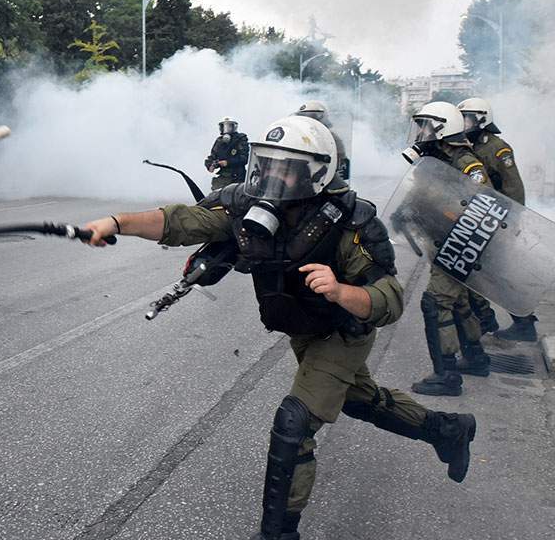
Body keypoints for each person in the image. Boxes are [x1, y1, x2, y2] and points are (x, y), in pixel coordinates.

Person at [80, 115, 477, 540]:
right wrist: (117, 223)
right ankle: (447, 430)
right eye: (266, 162)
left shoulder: (352, 221)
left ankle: (279, 533)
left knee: (295, 421)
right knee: (358, 398)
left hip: (341, 330)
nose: (272, 175)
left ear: (317, 171)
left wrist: (342, 291)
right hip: (302, 327)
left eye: (286, 167)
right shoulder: (244, 202)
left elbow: (390, 298)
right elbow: (182, 221)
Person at [402, 101, 492, 394]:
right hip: (448, 242)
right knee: (459, 300)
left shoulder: (465, 162)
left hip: (462, 242)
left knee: (436, 301)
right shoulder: (438, 159)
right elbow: (425, 193)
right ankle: (476, 356)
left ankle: (447, 374)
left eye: (426, 126)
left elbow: (485, 204)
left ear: (443, 129)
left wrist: (446, 214)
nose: (421, 133)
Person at [457, 97, 537, 342]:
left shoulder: (497, 148)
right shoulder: (468, 146)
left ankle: (524, 323)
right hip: (479, 220)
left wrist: (510, 222)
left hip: (499, 221)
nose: (464, 123)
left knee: (498, 275)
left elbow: (514, 188)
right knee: (475, 272)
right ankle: (484, 318)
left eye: (468, 118)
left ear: (482, 118)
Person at [294, 100, 349, 180]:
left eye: (313, 116)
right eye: (303, 116)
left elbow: (341, 165)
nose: (308, 120)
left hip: (323, 179)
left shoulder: (332, 139)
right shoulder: (295, 136)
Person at [205, 117, 250, 189]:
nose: (226, 129)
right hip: (224, 176)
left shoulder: (241, 139)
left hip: (237, 176)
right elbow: (212, 156)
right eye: (224, 126)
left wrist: (228, 162)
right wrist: (210, 165)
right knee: (216, 194)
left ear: (234, 127)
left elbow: (244, 159)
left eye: (229, 126)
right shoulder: (219, 141)